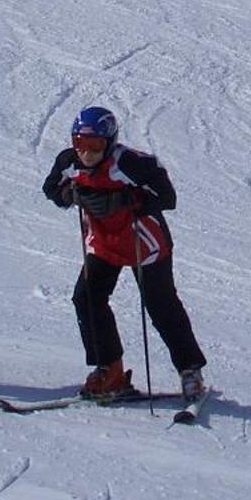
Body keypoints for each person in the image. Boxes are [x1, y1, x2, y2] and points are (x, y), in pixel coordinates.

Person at [41, 106, 207, 401]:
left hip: (145, 244)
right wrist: (71, 195)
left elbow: (167, 198)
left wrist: (128, 199)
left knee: (161, 305)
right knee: (87, 298)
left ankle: (190, 371)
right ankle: (110, 370)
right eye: (80, 143)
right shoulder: (70, 162)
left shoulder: (131, 164)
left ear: (110, 143)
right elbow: (51, 189)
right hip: (104, 244)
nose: (87, 153)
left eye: (95, 146)